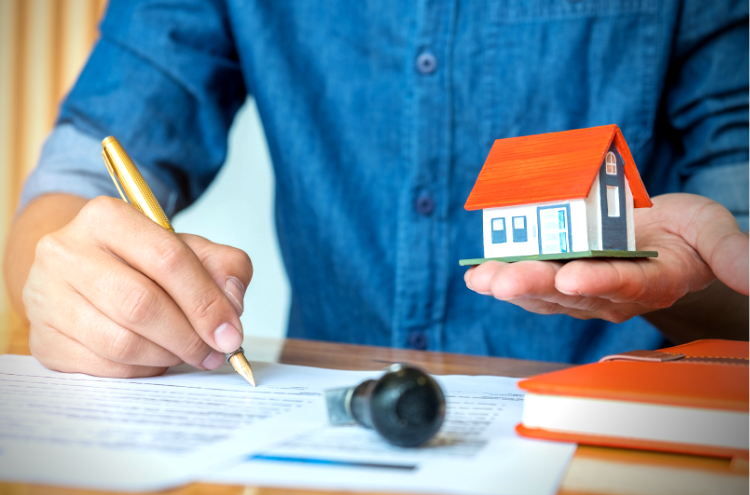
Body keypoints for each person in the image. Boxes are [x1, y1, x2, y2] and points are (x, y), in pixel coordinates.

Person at [4, 0, 748, 378]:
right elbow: (81, 170)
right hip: (318, 449)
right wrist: (69, 277)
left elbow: (731, 234)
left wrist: (700, 279)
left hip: (613, 455)